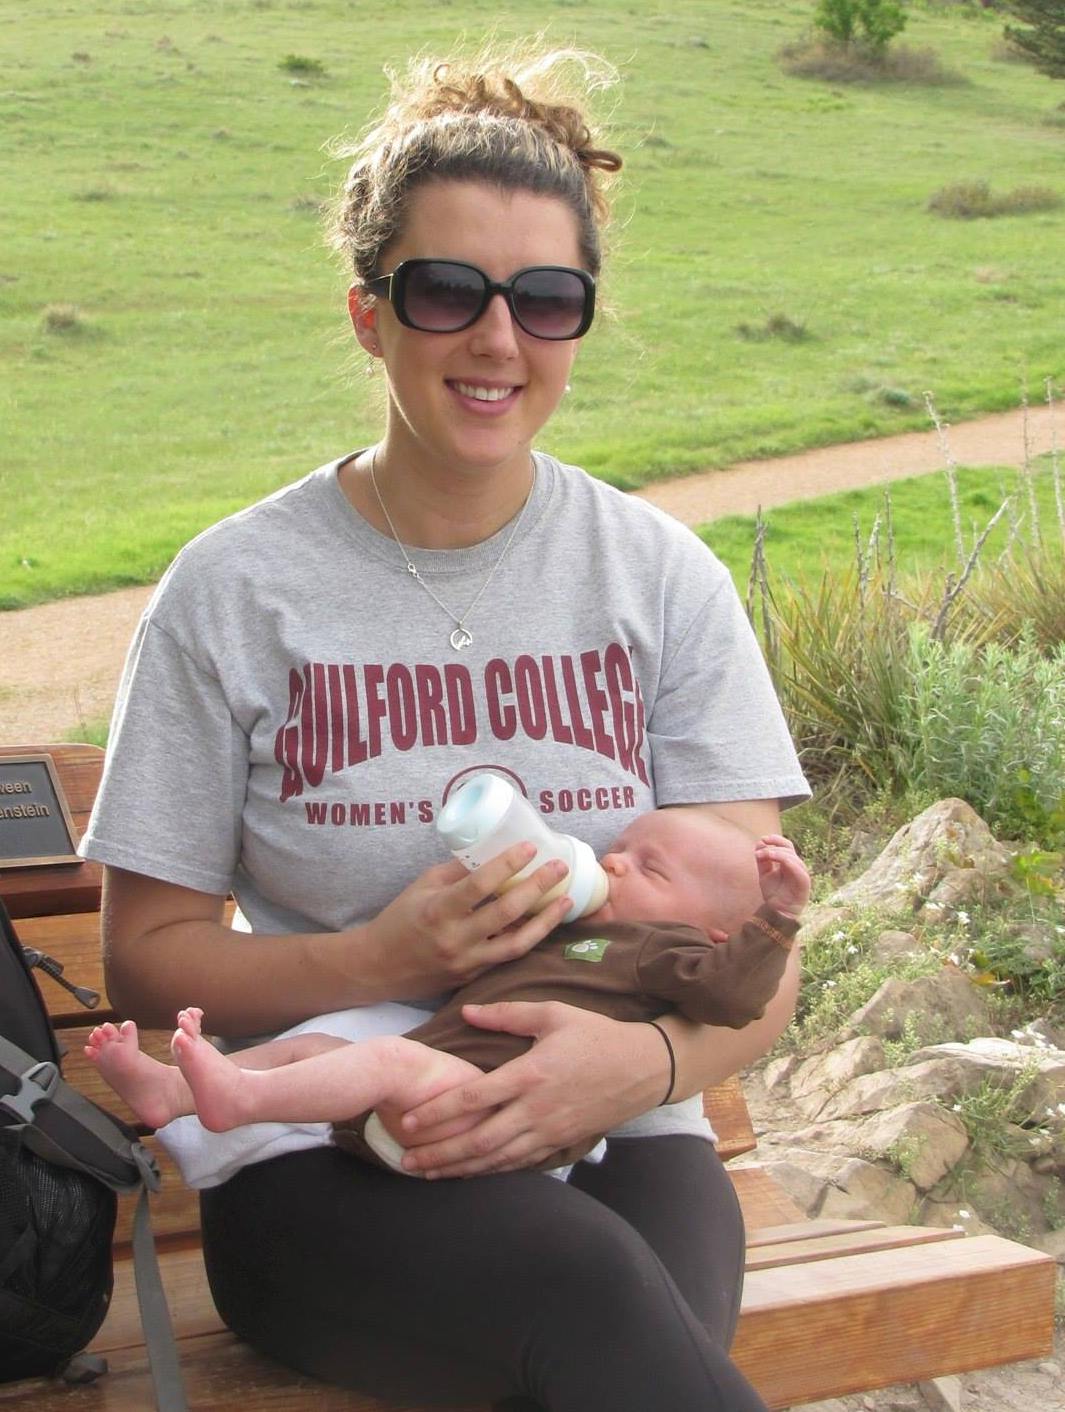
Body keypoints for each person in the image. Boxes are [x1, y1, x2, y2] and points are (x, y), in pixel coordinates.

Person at [80, 41, 810, 1412]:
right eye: (446, 291)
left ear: (579, 321)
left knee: (631, 1322)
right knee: (599, 1305)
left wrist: (639, 1063)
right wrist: (379, 956)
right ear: (370, 315)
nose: (497, 340)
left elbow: (758, 953)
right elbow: (144, 957)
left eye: (546, 300)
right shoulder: (235, 591)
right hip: (327, 1151)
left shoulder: (657, 576)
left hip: (622, 1122)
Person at [85, 815, 810, 1176]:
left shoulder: (666, 953)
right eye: (620, 848)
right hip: (442, 1080)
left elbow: (734, 996)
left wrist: (774, 922)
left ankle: (243, 1101)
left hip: (495, 1111)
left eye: (649, 869)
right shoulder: (567, 933)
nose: (612, 862)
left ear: (716, 935)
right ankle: (174, 1092)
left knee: (387, 1061)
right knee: (322, 1044)